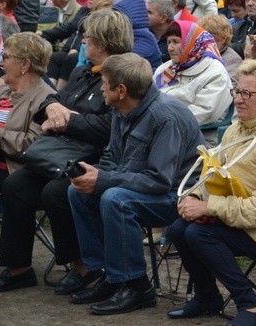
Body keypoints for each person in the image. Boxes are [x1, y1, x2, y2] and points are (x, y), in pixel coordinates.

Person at [0, 10, 132, 295]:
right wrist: (52, 108)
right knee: (16, 184)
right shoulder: (82, 72)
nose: (82, 41)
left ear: (102, 43)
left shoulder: (123, 74)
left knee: (56, 192)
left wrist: (70, 120)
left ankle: (84, 267)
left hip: (98, 157)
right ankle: (19, 269)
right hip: (62, 151)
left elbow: (112, 126)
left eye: (87, 37)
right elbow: (56, 100)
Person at [167, 59, 256, 325]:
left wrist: (210, 208)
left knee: (200, 234)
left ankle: (252, 306)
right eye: (237, 91)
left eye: (247, 93)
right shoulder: (238, 128)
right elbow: (214, 173)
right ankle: (207, 296)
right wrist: (197, 196)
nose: (238, 99)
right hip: (244, 219)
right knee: (179, 228)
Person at [66, 53, 204, 315]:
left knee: (115, 198)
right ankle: (107, 274)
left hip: (180, 196)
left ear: (121, 90)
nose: (101, 87)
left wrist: (105, 180)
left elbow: (160, 181)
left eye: (105, 83)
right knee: (78, 192)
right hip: (141, 188)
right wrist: (96, 173)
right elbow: (111, 156)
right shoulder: (121, 109)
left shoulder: (165, 116)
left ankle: (137, 286)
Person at [0, 33, 56, 195]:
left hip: (7, 168)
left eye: (5, 57)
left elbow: (31, 145)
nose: (0, 63)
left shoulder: (46, 99)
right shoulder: (1, 92)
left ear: (25, 65)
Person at [153, 20, 233, 126]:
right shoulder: (166, 68)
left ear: (192, 42)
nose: (170, 48)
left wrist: (160, 118)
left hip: (199, 135)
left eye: (176, 42)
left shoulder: (216, 73)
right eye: (169, 42)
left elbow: (205, 113)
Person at [198, 14, 242, 82]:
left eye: (208, 37)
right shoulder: (197, 55)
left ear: (223, 38)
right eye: (201, 36)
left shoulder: (232, 60)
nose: (203, 41)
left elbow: (230, 85)